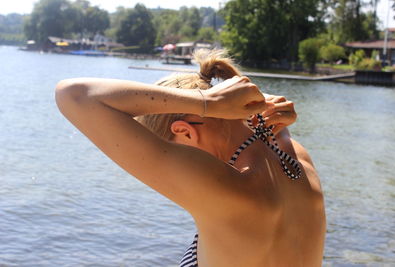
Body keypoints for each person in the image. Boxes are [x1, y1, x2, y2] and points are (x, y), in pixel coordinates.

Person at [55, 49, 326, 267]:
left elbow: (74, 95)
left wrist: (206, 102)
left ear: (183, 131)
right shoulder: (296, 157)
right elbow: (264, 118)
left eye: (170, 148)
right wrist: (246, 102)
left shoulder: (228, 192)